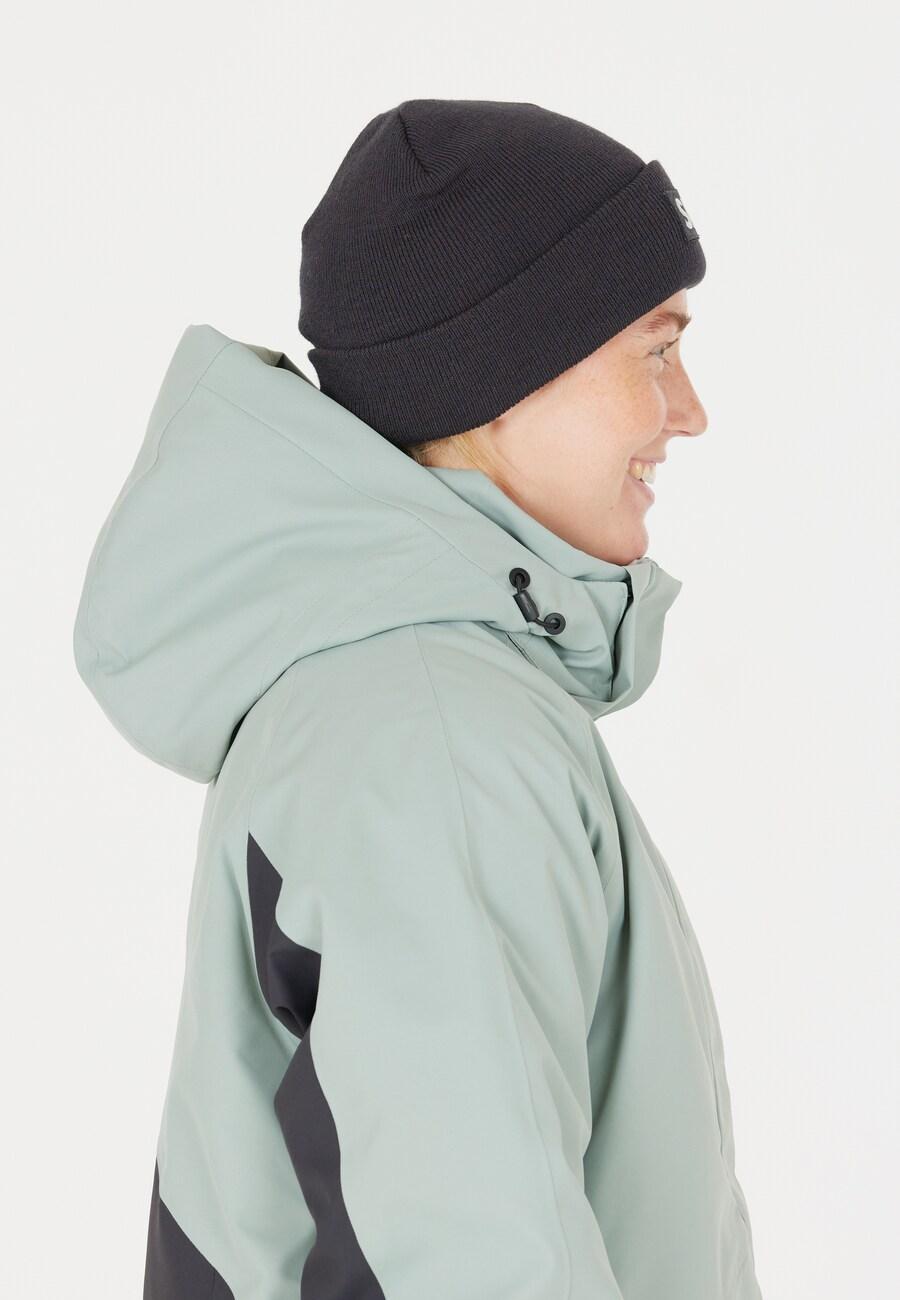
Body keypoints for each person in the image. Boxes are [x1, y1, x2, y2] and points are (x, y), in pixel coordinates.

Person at [72, 98, 763, 1299]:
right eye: (655, 351)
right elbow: (481, 1258)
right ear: (502, 374)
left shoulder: (405, 697)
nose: (689, 410)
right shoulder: (434, 732)